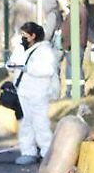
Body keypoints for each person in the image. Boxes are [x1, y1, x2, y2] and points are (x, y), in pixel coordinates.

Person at [7, 21, 58, 165]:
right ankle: (28, 152)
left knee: (40, 123)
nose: (22, 37)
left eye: (24, 35)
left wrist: (27, 68)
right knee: (26, 123)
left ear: (33, 36)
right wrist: (12, 64)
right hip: (23, 92)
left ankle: (47, 152)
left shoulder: (44, 50)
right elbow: (12, 64)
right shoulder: (21, 49)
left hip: (39, 92)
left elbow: (47, 70)